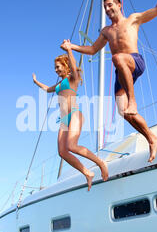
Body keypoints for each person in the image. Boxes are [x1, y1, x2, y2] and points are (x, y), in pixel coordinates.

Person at [63, 0, 157, 163]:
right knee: (124, 113)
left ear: (119, 5)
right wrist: (72, 46)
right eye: (105, 7)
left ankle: (133, 101)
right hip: (121, 70)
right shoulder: (106, 31)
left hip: (134, 61)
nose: (108, 9)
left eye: (111, 5)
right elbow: (93, 49)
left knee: (118, 58)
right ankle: (152, 139)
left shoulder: (133, 19)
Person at [32, 40, 108, 191]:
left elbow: (74, 67)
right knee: (62, 152)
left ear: (65, 66)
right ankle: (87, 173)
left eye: (57, 67)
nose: (55, 70)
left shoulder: (72, 79)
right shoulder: (59, 85)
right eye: (55, 68)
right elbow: (47, 89)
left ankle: (100, 163)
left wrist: (69, 50)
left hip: (74, 114)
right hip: (64, 120)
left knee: (72, 146)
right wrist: (36, 82)